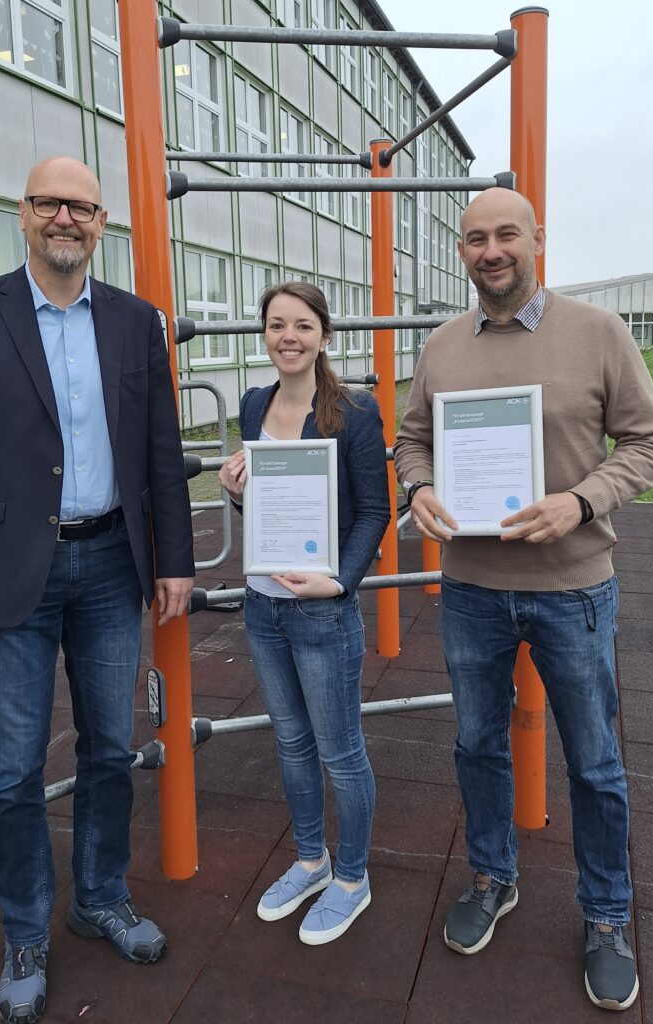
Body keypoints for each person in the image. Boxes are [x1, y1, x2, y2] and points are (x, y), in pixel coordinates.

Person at [0, 156, 194, 1024]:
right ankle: (26, 930)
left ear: (103, 223)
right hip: (10, 577)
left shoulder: (135, 322)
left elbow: (161, 450)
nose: (65, 218)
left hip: (111, 563)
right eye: (49, 203)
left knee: (111, 749)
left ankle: (100, 896)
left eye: (81, 206)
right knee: (12, 770)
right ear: (23, 213)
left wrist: (175, 560)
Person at [394, 188, 653, 1011]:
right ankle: (493, 876)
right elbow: (412, 439)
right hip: (472, 589)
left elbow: (650, 441)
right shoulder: (443, 345)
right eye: (476, 237)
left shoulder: (598, 333)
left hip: (571, 588)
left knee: (594, 762)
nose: (492, 250)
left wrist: (581, 502)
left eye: (507, 233)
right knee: (476, 745)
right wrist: (418, 488)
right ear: (461, 250)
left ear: (536, 239)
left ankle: (608, 915)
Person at [218, 282, 389, 945]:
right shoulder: (253, 403)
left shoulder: (355, 412)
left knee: (340, 752)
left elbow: (375, 511)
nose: (287, 336)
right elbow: (264, 505)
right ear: (264, 333)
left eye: (302, 325)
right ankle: (312, 861)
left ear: (323, 334)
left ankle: (352, 877)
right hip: (263, 606)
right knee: (290, 743)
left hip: (322, 613)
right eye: (275, 324)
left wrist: (339, 582)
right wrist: (236, 494)